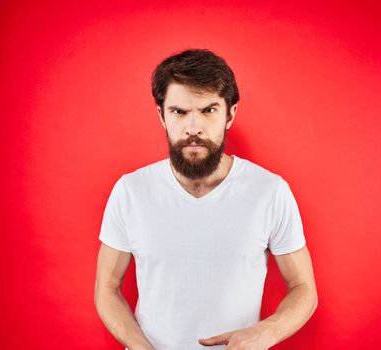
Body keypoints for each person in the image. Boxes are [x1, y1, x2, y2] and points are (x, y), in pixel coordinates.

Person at [94, 48, 318, 350]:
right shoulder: (130, 191)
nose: (194, 128)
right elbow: (107, 288)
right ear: (161, 115)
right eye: (179, 112)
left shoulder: (269, 191)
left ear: (230, 114)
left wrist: (267, 332)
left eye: (208, 110)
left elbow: (304, 287)